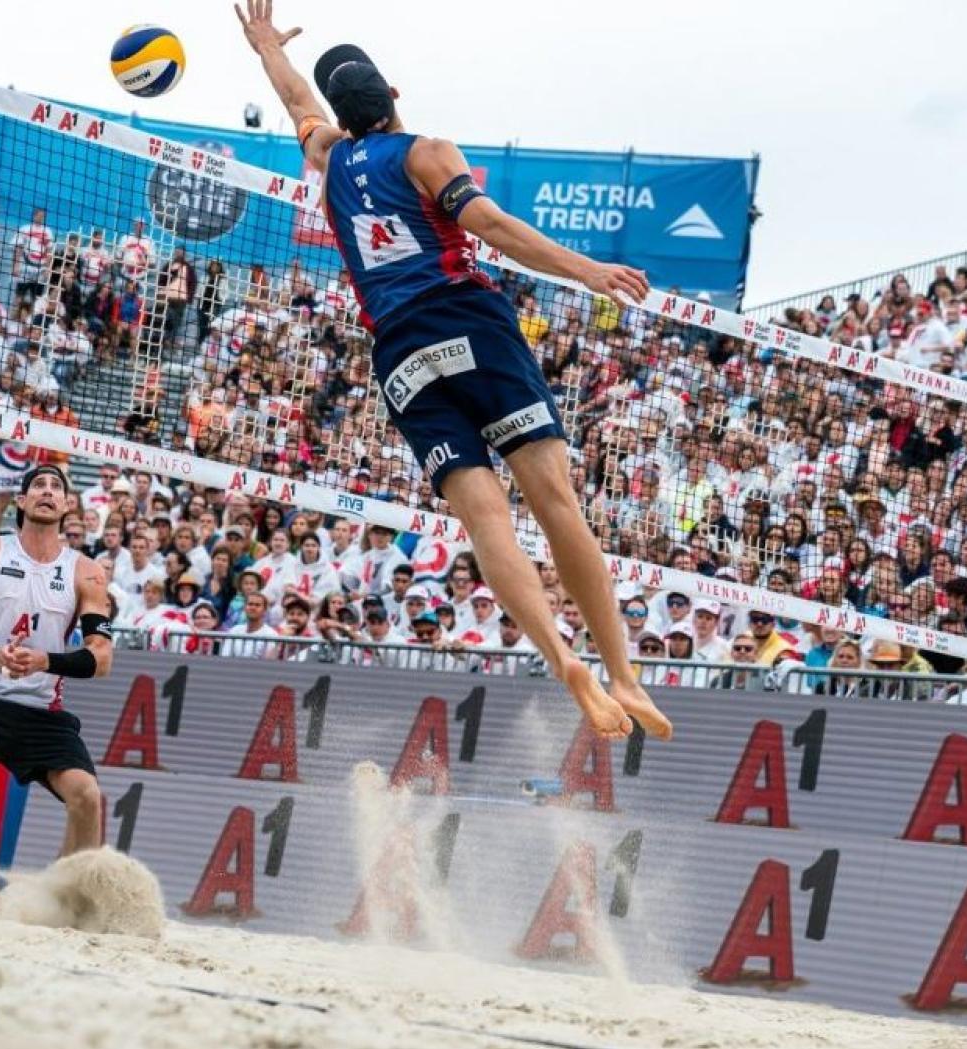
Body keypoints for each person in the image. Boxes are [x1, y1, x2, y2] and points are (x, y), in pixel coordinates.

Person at [236, 0, 668, 742]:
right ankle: (622, 674)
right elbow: (491, 226)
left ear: (344, 111)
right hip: (466, 320)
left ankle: (562, 658)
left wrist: (266, 47)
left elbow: (296, 101)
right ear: (393, 95)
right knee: (555, 501)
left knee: (483, 516)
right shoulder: (427, 152)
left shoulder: (329, 156)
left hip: (399, 354)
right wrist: (586, 270)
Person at [0, 464, 114, 915]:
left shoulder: (86, 572)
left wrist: (43, 660)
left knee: (87, 796)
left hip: (41, 711)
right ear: (22, 501)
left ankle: (66, 899)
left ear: (69, 505)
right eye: (38, 486)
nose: (48, 492)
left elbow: (102, 659)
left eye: (57, 487)